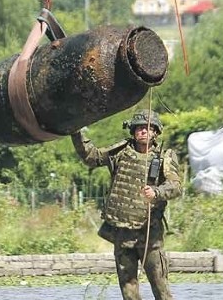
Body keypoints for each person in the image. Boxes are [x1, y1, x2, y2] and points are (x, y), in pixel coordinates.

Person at [71, 109, 182, 300]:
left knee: (161, 288)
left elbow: (175, 186)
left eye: (148, 128)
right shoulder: (120, 152)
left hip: (149, 234)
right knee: (129, 291)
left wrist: (156, 192)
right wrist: (75, 132)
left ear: (155, 132)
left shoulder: (164, 157)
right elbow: (93, 157)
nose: (143, 132)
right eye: (139, 128)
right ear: (133, 131)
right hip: (122, 233)